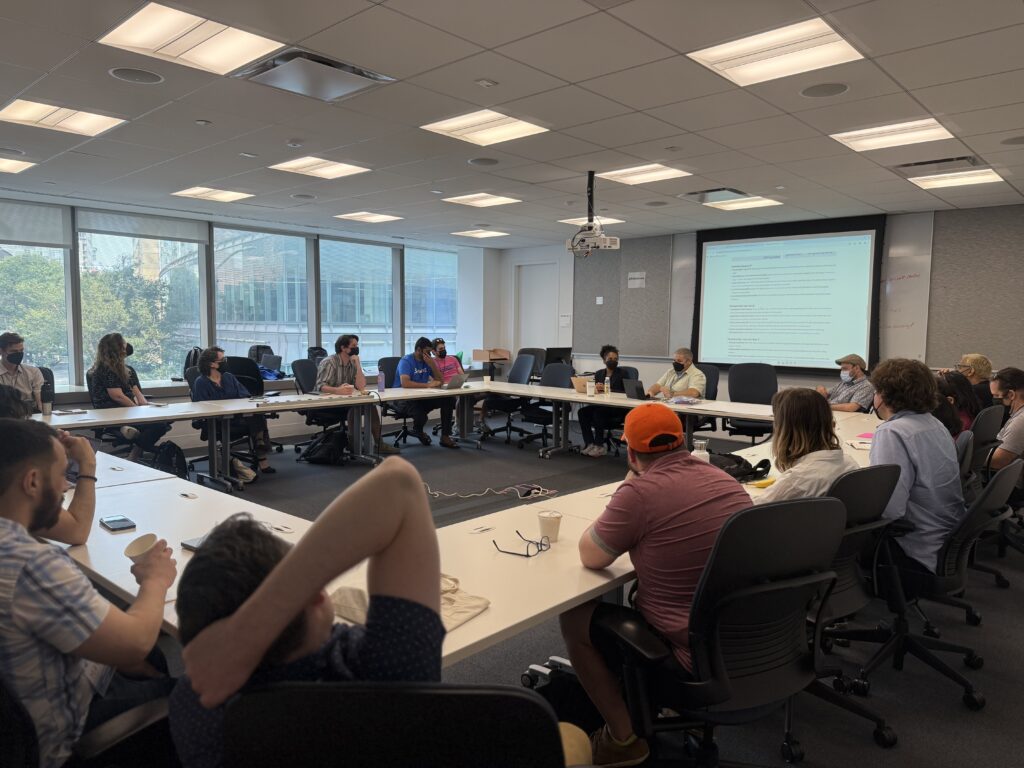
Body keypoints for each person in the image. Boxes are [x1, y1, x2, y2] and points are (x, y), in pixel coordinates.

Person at [171, 457, 445, 768]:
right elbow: (400, 484)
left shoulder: (195, 703)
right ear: (314, 596)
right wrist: (248, 631)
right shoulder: (382, 671)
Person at [559, 403, 751, 766]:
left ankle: (624, 738)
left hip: (688, 649)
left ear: (629, 451)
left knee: (574, 618)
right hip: (742, 637)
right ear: (683, 441)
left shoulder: (639, 495)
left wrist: (629, 486)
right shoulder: (724, 479)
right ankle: (646, 703)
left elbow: (591, 555)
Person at [0, 418, 178, 768]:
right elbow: (136, 641)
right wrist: (154, 579)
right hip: (59, 740)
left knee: (151, 659)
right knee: (192, 690)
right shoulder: (29, 564)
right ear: (33, 482)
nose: (66, 487)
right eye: (62, 475)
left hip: (18, 711)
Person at [869, 358, 966, 596]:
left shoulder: (892, 432)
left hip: (915, 547)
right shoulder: (934, 423)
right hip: (946, 540)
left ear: (883, 395)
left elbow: (890, 511)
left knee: (828, 534)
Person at [755, 388, 859, 504]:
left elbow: (746, 514)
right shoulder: (850, 464)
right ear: (829, 424)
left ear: (785, 431)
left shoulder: (795, 481)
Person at [193, 347, 274, 478]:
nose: (226, 362)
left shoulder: (228, 377)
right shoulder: (201, 382)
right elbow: (202, 406)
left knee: (258, 415)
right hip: (217, 421)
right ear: (211, 364)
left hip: (237, 416)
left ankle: (260, 450)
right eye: (222, 360)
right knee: (255, 421)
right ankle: (259, 451)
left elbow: (244, 395)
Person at [88, 332, 170, 461]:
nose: (127, 346)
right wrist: (137, 411)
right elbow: (117, 397)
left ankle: (133, 445)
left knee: (164, 421)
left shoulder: (127, 370)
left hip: (128, 411)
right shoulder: (104, 369)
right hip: (112, 412)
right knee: (158, 425)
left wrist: (146, 407)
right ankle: (133, 450)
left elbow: (137, 392)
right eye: (124, 344)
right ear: (118, 349)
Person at [316, 334, 399, 455]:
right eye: (353, 346)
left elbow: (360, 386)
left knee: (370, 406)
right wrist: (337, 390)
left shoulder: (352, 363)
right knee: (354, 408)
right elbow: (320, 386)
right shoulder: (329, 362)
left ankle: (378, 443)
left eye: (357, 345)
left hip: (347, 400)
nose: (356, 348)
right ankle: (354, 445)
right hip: (329, 403)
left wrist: (358, 364)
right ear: (343, 347)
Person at [396, 337, 458, 449]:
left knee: (448, 399)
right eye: (428, 351)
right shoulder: (406, 361)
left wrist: (433, 365)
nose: (430, 354)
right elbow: (405, 383)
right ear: (419, 349)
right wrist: (428, 385)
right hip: (403, 399)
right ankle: (418, 431)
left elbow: (441, 381)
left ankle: (445, 436)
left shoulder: (428, 361)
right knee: (421, 416)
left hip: (421, 397)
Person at [579, 345, 627, 458]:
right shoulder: (599, 373)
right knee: (582, 412)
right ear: (604, 360)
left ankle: (599, 445)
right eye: (610, 359)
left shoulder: (623, 373)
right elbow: (596, 391)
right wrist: (596, 388)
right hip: (602, 404)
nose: (613, 361)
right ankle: (590, 443)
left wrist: (608, 389)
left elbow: (626, 392)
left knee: (598, 413)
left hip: (617, 408)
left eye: (616, 359)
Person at [988, 367, 1024, 497]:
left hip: (1010, 488)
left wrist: (971, 457)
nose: (994, 400)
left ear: (1011, 395)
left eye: (996, 396)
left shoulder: (1021, 420)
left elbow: (998, 461)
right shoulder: (1017, 415)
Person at [0, 331, 44, 412]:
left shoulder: (33, 372)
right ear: (1, 351)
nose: (19, 354)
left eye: (21, 351)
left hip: (29, 415)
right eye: (14, 351)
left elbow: (40, 404)